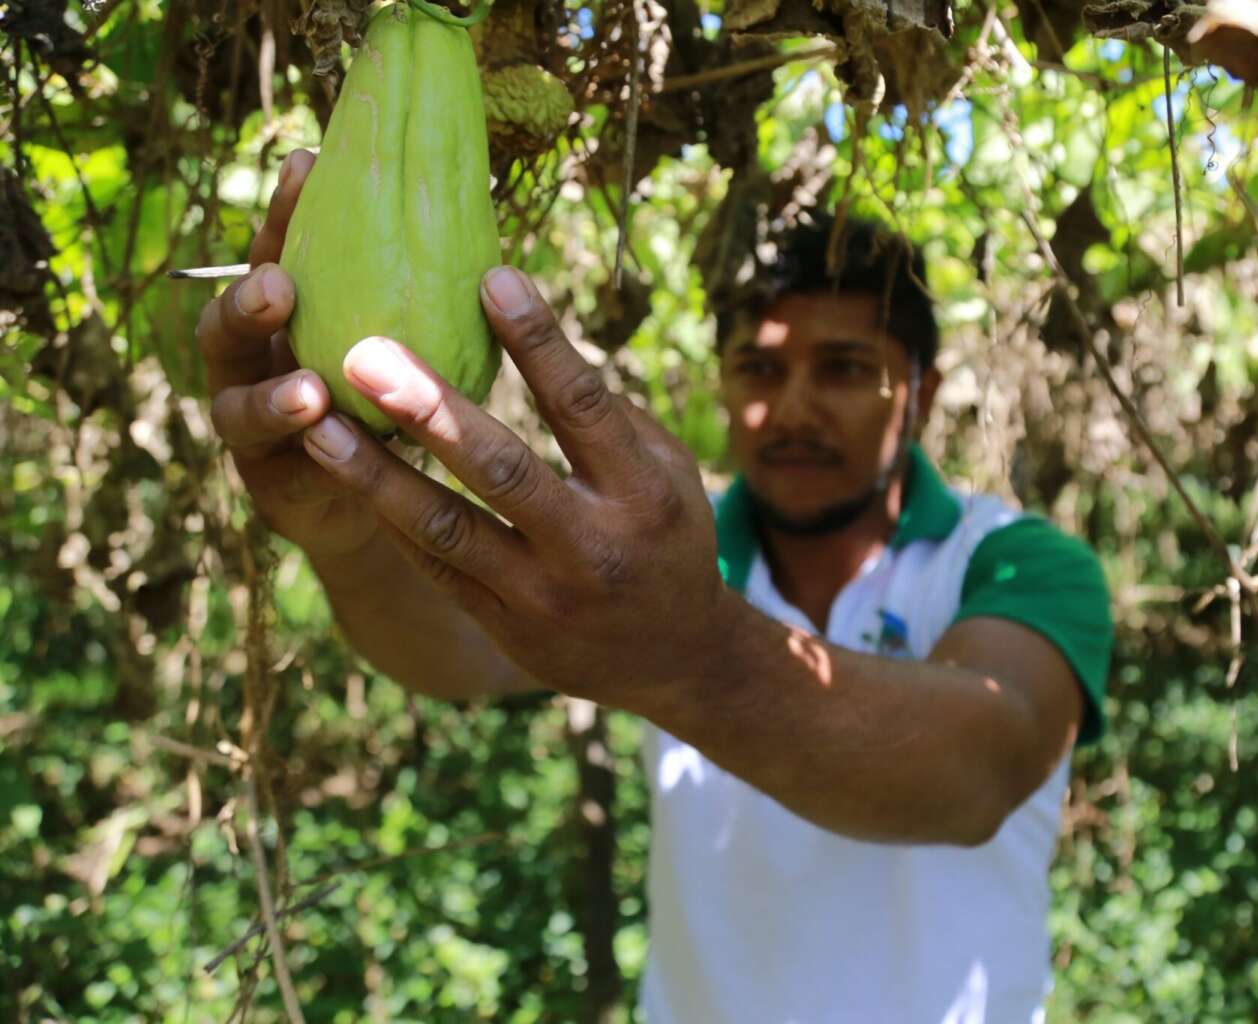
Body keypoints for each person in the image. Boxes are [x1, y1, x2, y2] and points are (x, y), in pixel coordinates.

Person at [195, 148, 1113, 1023]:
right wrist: (347, 534)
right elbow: (459, 651)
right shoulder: (678, 561)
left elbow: (977, 772)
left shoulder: (1017, 562)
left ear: (922, 391)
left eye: (843, 369)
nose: (793, 408)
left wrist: (687, 655)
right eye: (759, 368)